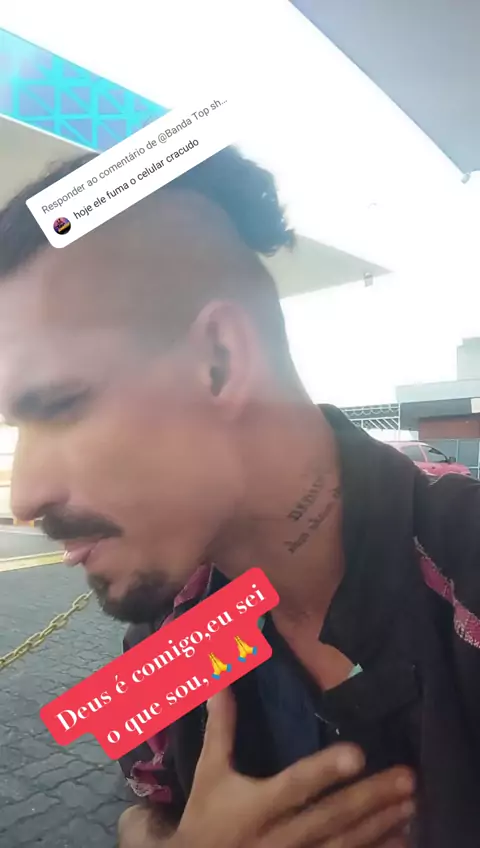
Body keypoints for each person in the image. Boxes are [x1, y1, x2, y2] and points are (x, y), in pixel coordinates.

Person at [0, 146, 479, 848]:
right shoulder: (170, 632)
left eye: (59, 405)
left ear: (220, 361)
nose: (24, 496)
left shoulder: (465, 562)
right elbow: (140, 802)